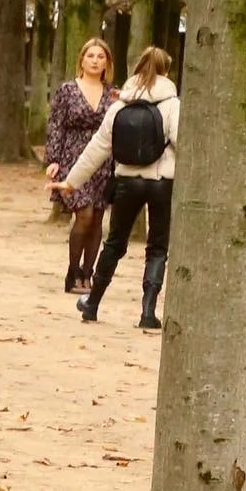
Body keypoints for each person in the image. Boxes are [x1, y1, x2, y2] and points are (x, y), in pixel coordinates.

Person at [58, 45, 180, 330]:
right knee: (158, 247)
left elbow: (97, 148)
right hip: (162, 183)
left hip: (127, 182)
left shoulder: (120, 105)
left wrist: (71, 182)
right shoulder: (173, 106)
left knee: (114, 243)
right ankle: (148, 312)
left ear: (137, 68)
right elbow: (182, 143)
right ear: (166, 71)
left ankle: (93, 303)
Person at [44, 37, 119, 293]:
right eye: (91, 56)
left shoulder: (113, 93)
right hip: (72, 158)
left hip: (103, 160)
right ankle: (73, 272)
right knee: (84, 214)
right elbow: (56, 125)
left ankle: (89, 275)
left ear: (107, 62)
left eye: (100, 57)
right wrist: (53, 159)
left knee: (98, 218)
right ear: (82, 60)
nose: (95, 61)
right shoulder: (68, 90)